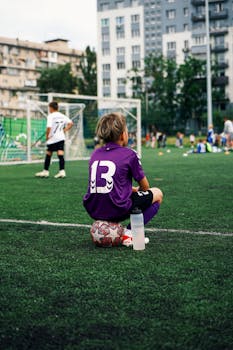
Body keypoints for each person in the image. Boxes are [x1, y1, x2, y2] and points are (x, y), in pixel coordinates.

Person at [83, 112, 163, 246]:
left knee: (123, 196)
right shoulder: (129, 154)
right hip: (117, 208)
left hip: (94, 209)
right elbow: (145, 187)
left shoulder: (95, 154)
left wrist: (127, 189)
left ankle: (115, 228)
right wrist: (136, 190)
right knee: (157, 193)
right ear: (122, 135)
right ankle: (130, 234)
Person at [35, 101, 73, 178]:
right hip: (61, 137)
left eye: (49, 108)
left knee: (49, 153)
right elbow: (71, 123)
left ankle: (45, 171)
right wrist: (64, 130)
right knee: (60, 153)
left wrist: (47, 136)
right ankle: (62, 171)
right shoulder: (62, 115)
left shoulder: (51, 116)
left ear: (51, 108)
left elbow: (49, 128)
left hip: (53, 138)